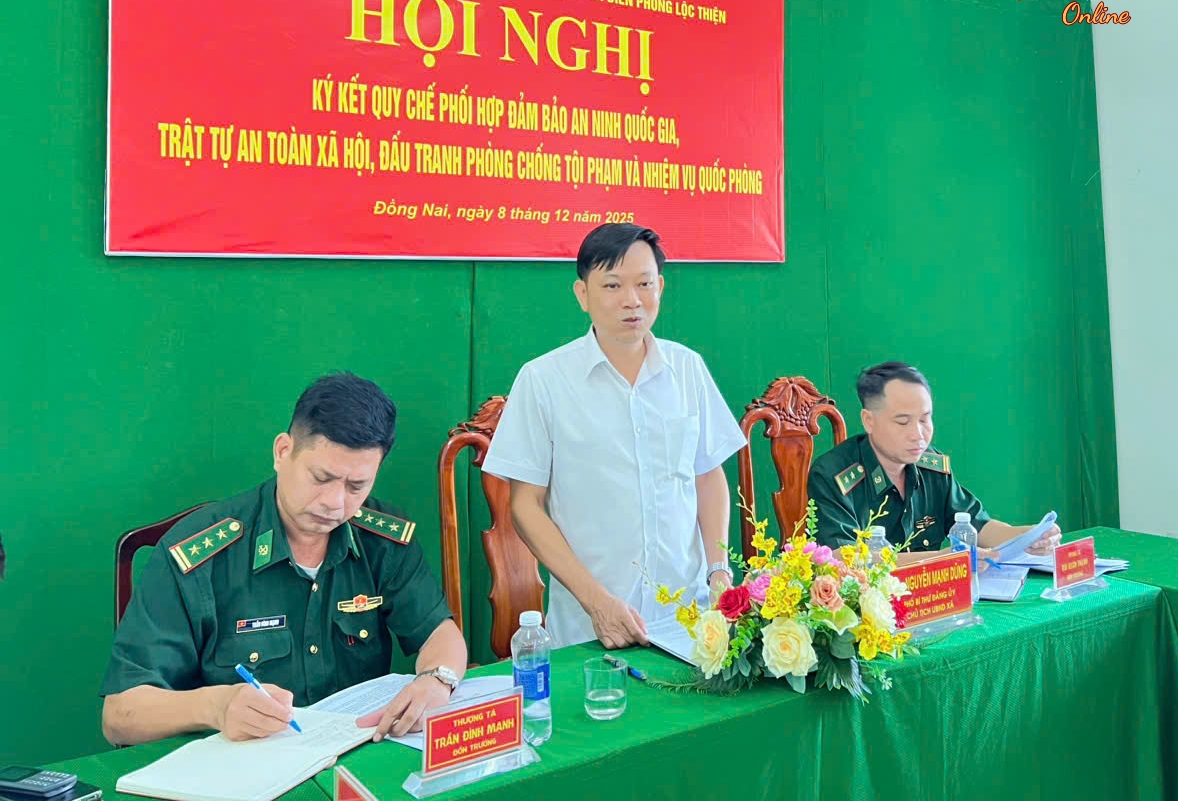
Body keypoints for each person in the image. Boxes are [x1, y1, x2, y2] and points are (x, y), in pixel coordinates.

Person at [101, 373, 466, 745]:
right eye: (320, 478)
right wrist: (217, 706)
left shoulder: (382, 540)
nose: (335, 503)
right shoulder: (201, 555)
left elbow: (440, 633)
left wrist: (437, 680)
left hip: (353, 754)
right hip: (239, 764)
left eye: (356, 486)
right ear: (282, 452)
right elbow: (119, 716)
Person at [483, 223, 746, 649]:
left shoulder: (688, 369)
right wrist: (597, 603)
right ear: (582, 294)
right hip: (591, 627)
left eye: (644, 283)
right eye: (612, 285)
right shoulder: (543, 380)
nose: (631, 300)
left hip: (692, 619)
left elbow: (706, 474)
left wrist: (718, 570)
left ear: (660, 287)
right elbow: (525, 506)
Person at [808, 362, 1061, 560]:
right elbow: (844, 559)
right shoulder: (832, 476)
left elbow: (977, 524)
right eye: (903, 422)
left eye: (924, 419)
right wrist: (942, 560)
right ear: (869, 421)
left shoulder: (931, 466)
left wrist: (1028, 536)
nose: (918, 434)